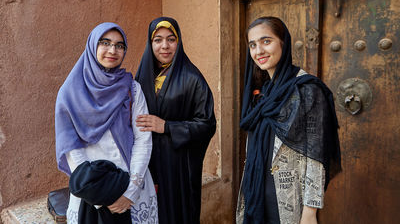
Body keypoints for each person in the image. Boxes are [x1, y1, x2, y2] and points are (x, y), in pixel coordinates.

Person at [236, 17, 341, 224]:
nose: (259, 51)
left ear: (283, 42)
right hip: (255, 191)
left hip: (288, 198)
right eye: (253, 45)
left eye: (266, 41)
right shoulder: (263, 93)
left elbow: (316, 156)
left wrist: (310, 211)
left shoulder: (307, 90)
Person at [55, 22, 158, 224]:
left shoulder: (132, 89)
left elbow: (143, 140)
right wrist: (99, 193)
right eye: (105, 43)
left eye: (120, 45)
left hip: (132, 188)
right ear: (93, 46)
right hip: (90, 193)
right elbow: (71, 148)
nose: (113, 50)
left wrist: (130, 192)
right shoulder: (69, 93)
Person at [135, 17, 216, 224]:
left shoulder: (192, 78)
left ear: (178, 43)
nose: (165, 46)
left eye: (171, 39)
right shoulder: (141, 78)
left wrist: (167, 126)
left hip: (178, 167)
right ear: (150, 43)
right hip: (146, 164)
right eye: (158, 40)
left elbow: (207, 124)